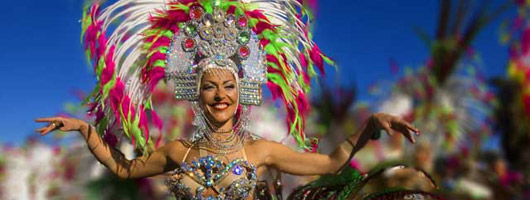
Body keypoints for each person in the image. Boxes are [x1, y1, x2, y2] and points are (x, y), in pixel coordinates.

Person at [35, 0, 421, 199]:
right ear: (196, 94)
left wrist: (370, 126)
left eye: (229, 87)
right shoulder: (177, 151)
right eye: (210, 87)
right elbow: (124, 170)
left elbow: (331, 161)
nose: (220, 95)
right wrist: (86, 130)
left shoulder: (261, 151)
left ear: (242, 93)